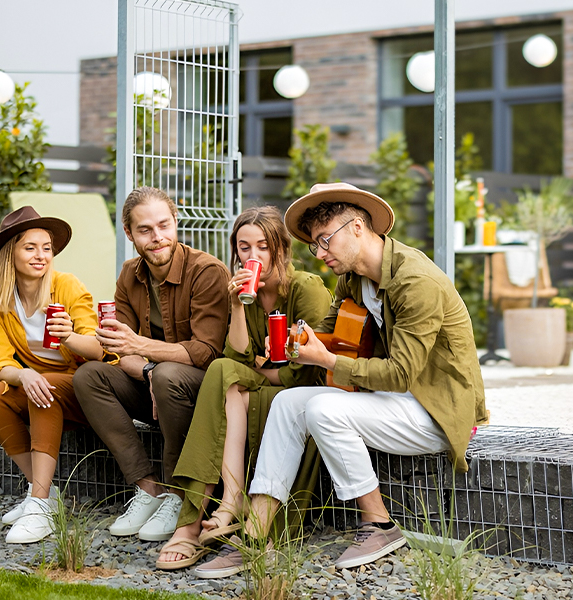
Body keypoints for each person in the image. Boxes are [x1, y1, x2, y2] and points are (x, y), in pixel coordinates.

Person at [192, 182, 489, 579]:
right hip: (395, 402)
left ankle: (379, 524)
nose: (320, 253)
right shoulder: (353, 280)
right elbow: (326, 334)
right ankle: (256, 532)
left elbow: (400, 375)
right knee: (287, 401)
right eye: (315, 245)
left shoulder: (415, 282)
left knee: (321, 407)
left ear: (358, 228)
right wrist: (297, 342)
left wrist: (325, 357)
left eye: (325, 241)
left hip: (439, 411)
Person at [153, 206, 330, 570]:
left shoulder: (305, 289)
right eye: (244, 247)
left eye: (263, 247)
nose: (253, 257)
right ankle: (228, 503)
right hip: (263, 385)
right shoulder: (244, 294)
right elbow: (236, 357)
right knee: (222, 373)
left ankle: (193, 522)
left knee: (226, 381)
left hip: (300, 396)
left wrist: (258, 370)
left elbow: (307, 371)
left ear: (280, 248)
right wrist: (236, 306)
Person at [73, 186, 231, 542]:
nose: (157, 237)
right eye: (145, 230)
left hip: (201, 392)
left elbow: (205, 351)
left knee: (170, 373)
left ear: (175, 222)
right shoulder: (130, 274)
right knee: (89, 376)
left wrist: (146, 353)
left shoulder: (206, 272)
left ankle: (179, 493)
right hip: (156, 385)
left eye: (164, 225)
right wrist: (147, 369)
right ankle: (149, 489)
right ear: (129, 234)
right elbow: (118, 348)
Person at [0, 206, 105, 544]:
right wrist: (25, 375)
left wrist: (68, 337)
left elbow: (98, 350)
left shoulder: (66, 286)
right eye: (30, 247)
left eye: (47, 247)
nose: (41, 255)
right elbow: (0, 365)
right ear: (11, 254)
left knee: (43, 385)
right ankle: (43, 497)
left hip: (84, 387)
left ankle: (40, 502)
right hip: (44, 386)